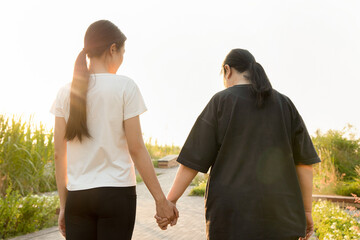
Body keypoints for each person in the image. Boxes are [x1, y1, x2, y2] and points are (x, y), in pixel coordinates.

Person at [156, 49, 320, 240]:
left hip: (231, 219)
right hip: (282, 219)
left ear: (227, 70)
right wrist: (307, 211)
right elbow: (305, 164)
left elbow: (192, 160)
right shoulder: (285, 104)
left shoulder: (222, 101)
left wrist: (170, 201)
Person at [51, 20, 178, 240]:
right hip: (117, 194)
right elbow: (137, 149)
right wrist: (160, 200)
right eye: (122, 52)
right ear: (112, 49)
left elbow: (59, 154)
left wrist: (64, 206)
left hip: (78, 197)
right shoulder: (125, 87)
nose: (121, 59)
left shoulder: (65, 92)